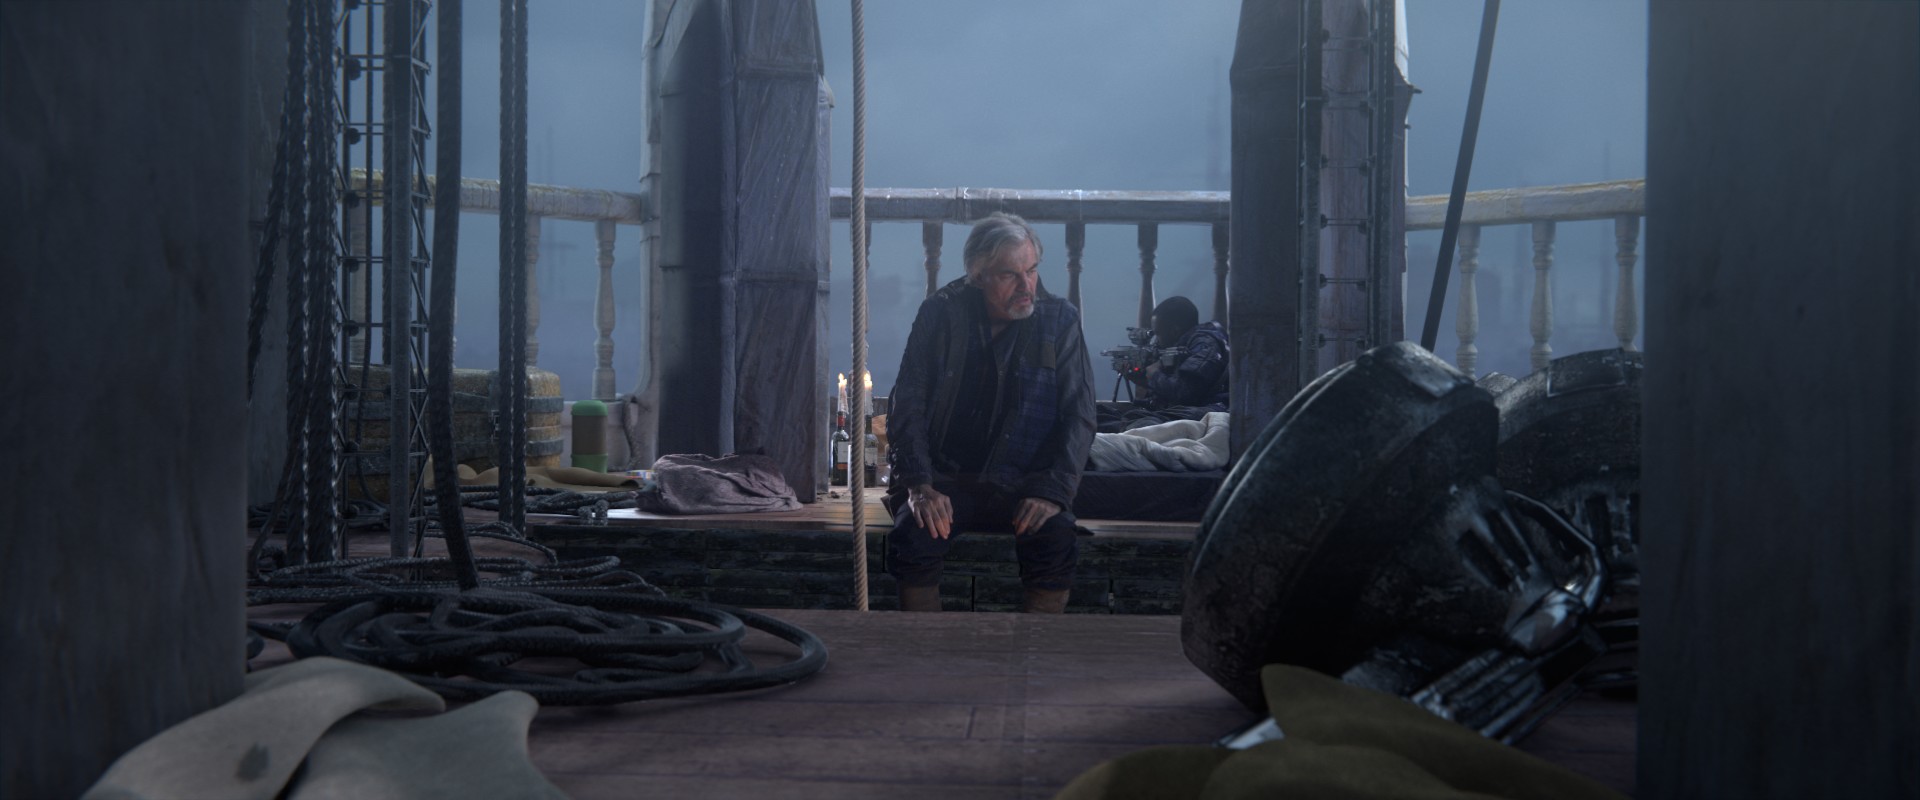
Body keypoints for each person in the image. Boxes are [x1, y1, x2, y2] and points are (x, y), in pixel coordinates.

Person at [884, 212, 1097, 614]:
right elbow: (908, 402)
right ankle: (921, 649)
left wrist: (1052, 492)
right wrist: (920, 485)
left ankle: (1033, 652)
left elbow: (1079, 414)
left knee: (1055, 541)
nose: (1026, 286)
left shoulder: (1060, 319)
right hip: (950, 477)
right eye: (1009, 275)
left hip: (1026, 481)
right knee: (913, 538)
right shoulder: (941, 313)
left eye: (1031, 270)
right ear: (978, 275)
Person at [1126, 295, 1229, 411]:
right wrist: (1142, 380)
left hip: (1209, 411)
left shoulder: (1204, 344)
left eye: (1158, 333)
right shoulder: (1187, 345)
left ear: (1175, 331)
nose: (1156, 341)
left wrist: (1154, 375)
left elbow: (1185, 394)